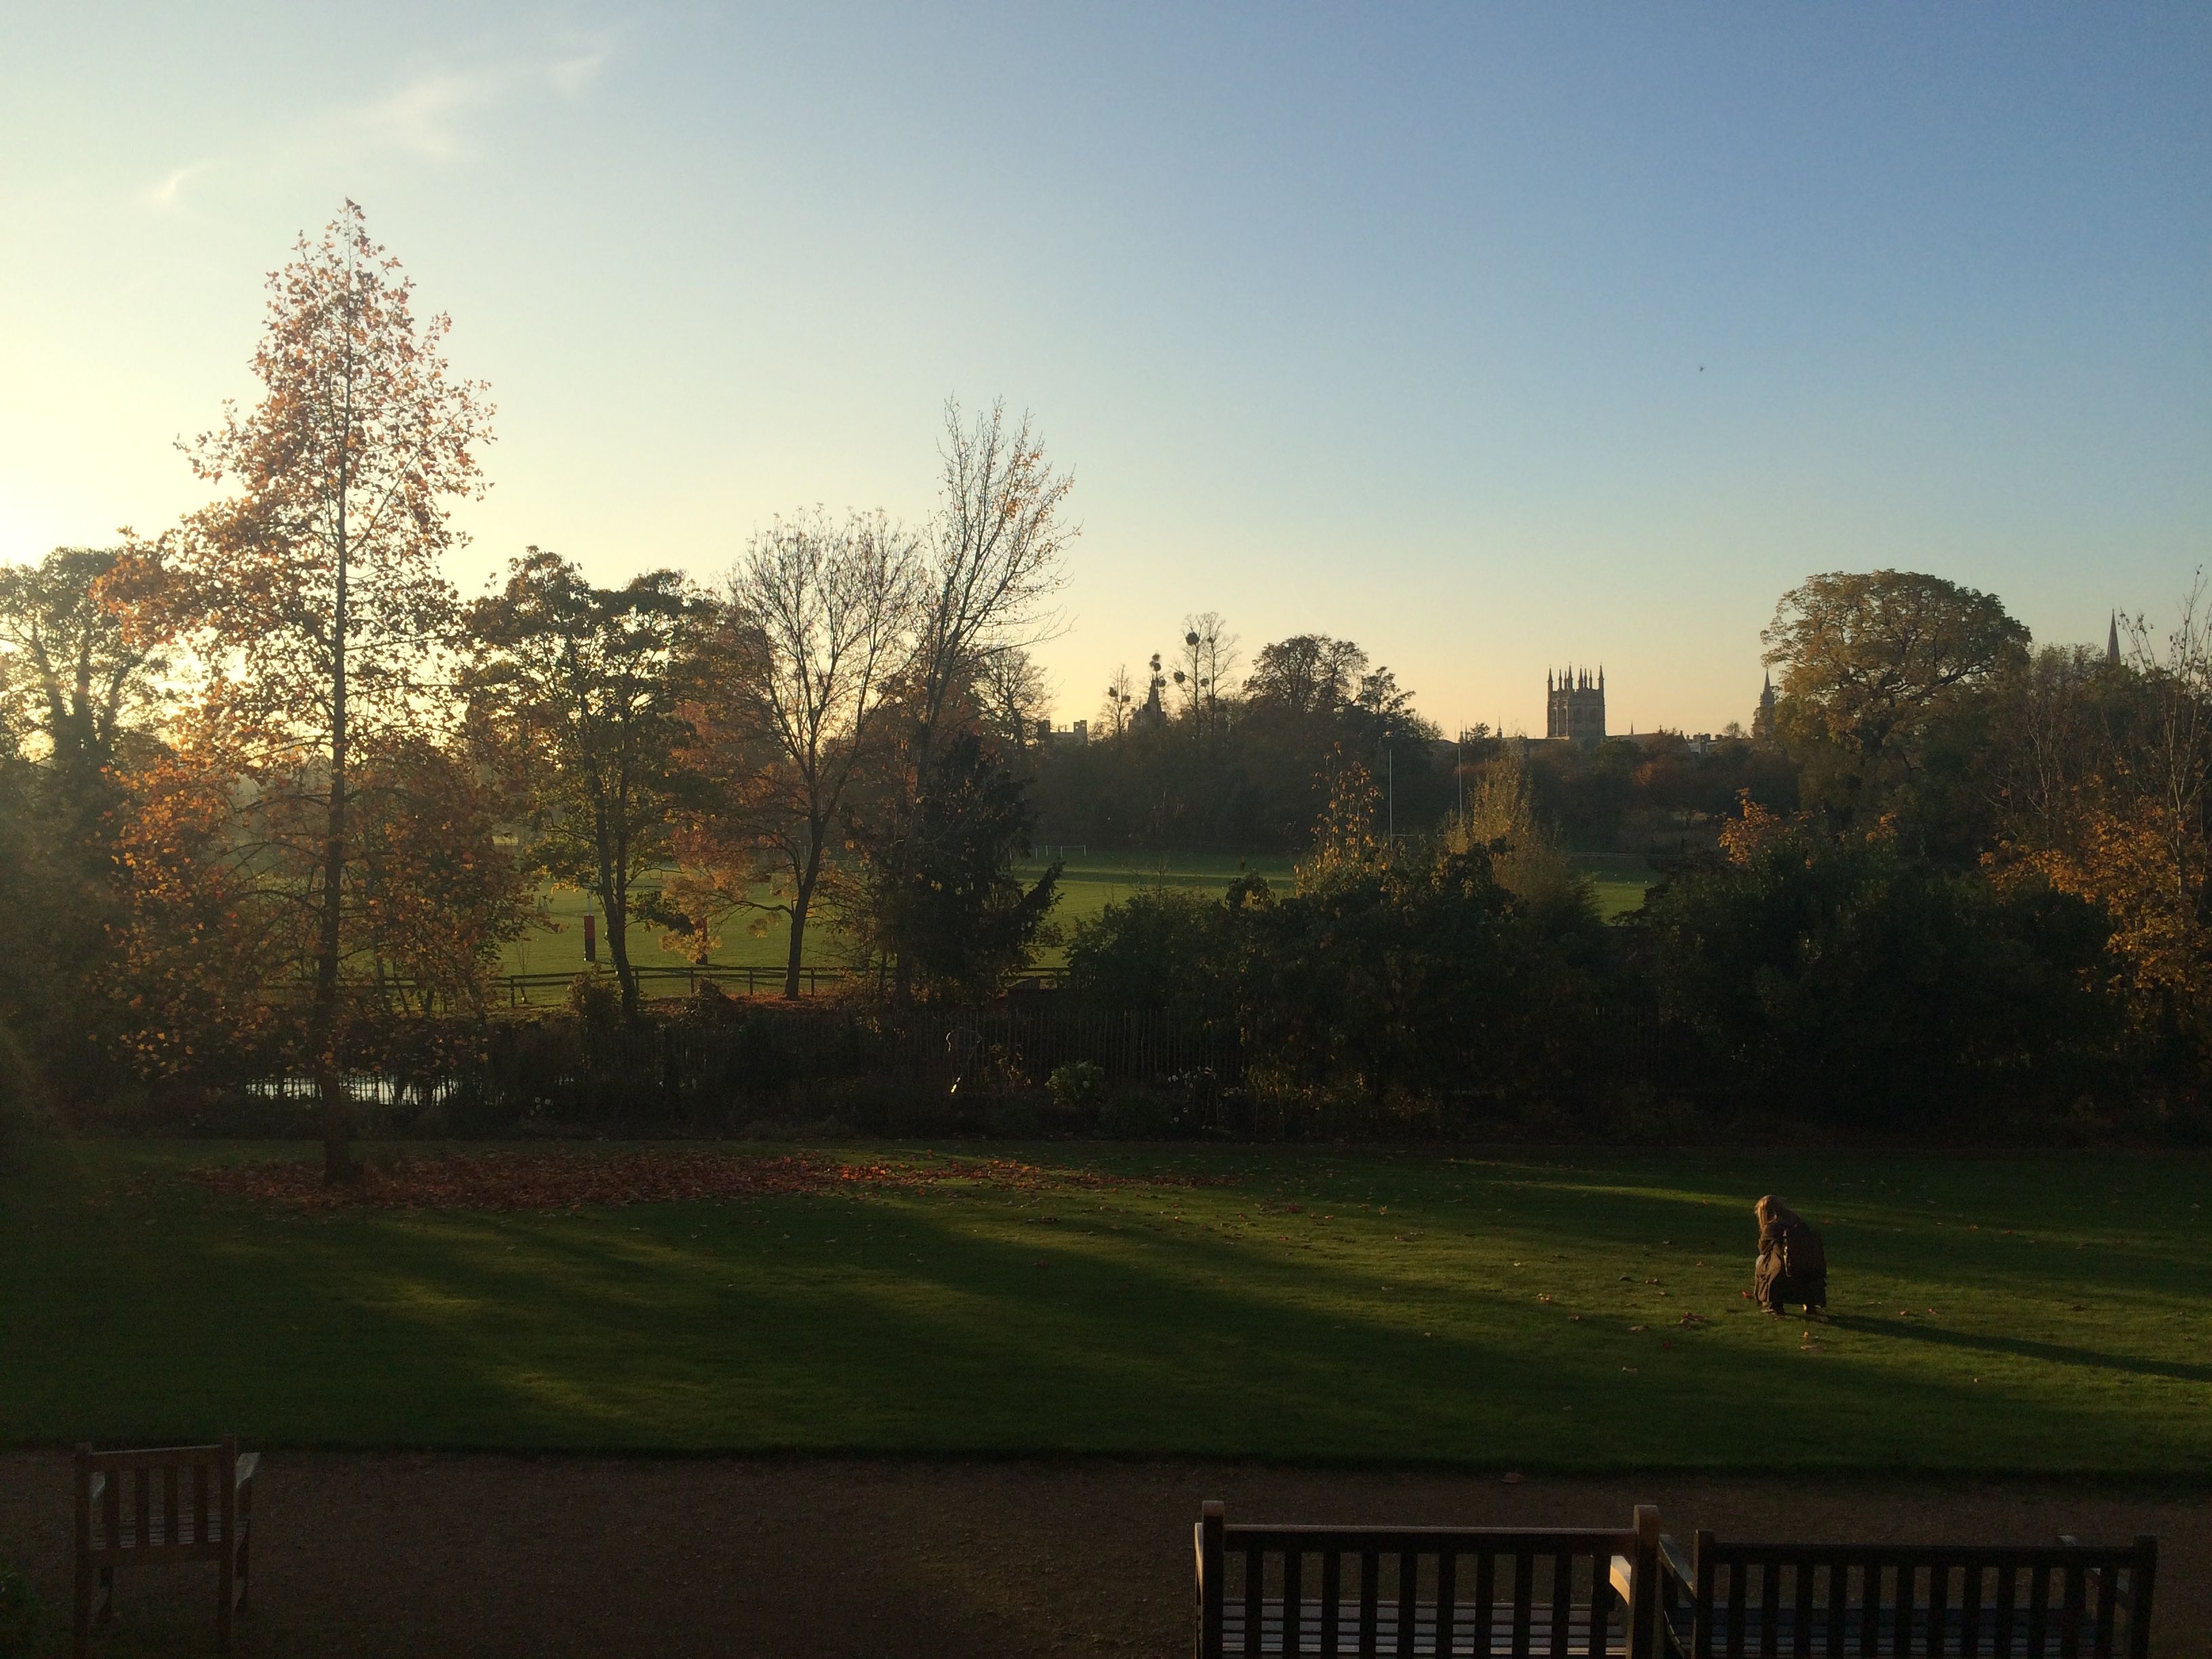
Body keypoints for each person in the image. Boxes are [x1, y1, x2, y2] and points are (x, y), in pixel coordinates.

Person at [1753, 1195, 1826, 1317]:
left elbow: (1762, 1249)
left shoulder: (1772, 1227)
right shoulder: (1796, 1221)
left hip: (1785, 1268)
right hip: (1807, 1266)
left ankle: (1774, 1304)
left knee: (1761, 1261)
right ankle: (1809, 1305)